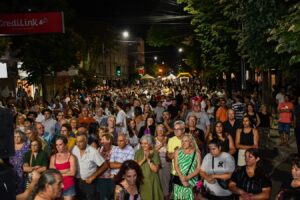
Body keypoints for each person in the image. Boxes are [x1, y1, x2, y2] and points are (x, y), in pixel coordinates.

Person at [72, 132, 108, 200]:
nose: (78, 144)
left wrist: (93, 176)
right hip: (77, 181)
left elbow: (105, 165)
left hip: (89, 183)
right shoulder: (74, 149)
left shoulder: (93, 152)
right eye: (77, 142)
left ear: (86, 141)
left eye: (80, 142)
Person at [134, 135, 164, 200]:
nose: (143, 145)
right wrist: (144, 159)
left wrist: (148, 159)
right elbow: (135, 167)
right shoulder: (138, 152)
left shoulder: (155, 153)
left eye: (145, 143)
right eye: (142, 143)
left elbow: (155, 170)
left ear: (150, 144)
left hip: (153, 181)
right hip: (142, 181)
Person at [173, 134, 201, 200]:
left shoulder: (197, 153)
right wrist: (182, 178)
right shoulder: (177, 152)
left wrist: (187, 178)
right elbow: (176, 166)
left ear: (191, 142)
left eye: (186, 141)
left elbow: (198, 168)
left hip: (191, 181)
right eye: (182, 141)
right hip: (179, 180)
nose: (183, 143)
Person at [49, 136, 76, 200]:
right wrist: (66, 170)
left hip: (68, 185)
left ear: (65, 145)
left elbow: (72, 173)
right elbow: (52, 173)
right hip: (56, 186)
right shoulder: (53, 157)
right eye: (56, 145)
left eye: (60, 144)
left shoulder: (71, 157)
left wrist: (58, 171)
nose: (58, 147)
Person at [9, 130, 29, 194]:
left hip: (22, 170)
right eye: (14, 136)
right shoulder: (10, 145)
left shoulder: (26, 146)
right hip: (11, 170)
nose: (16, 138)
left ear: (22, 137)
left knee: (20, 190)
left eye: (18, 136)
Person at [97, 133, 116, 200]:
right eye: (101, 139)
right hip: (101, 177)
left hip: (112, 176)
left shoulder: (115, 149)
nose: (101, 141)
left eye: (103, 139)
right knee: (104, 197)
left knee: (113, 196)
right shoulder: (99, 149)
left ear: (109, 140)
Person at [155, 124, 171, 199]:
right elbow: (153, 151)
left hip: (167, 161)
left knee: (166, 180)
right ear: (156, 131)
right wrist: (161, 144)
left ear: (164, 131)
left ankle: (166, 195)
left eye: (162, 130)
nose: (160, 131)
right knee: (159, 179)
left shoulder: (168, 139)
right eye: (159, 130)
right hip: (157, 161)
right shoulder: (154, 140)